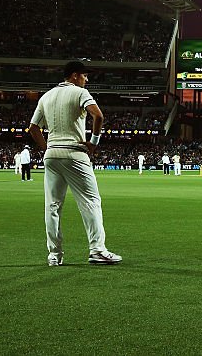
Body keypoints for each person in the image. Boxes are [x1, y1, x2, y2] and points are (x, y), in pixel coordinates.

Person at [27, 59, 122, 266]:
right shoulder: (80, 93)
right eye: (85, 75)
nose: (86, 79)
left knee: (52, 206)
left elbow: (33, 128)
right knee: (90, 202)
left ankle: (54, 255)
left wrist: (47, 149)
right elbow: (98, 116)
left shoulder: (46, 96)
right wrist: (94, 143)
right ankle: (97, 250)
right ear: (75, 76)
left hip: (52, 155)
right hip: (75, 153)